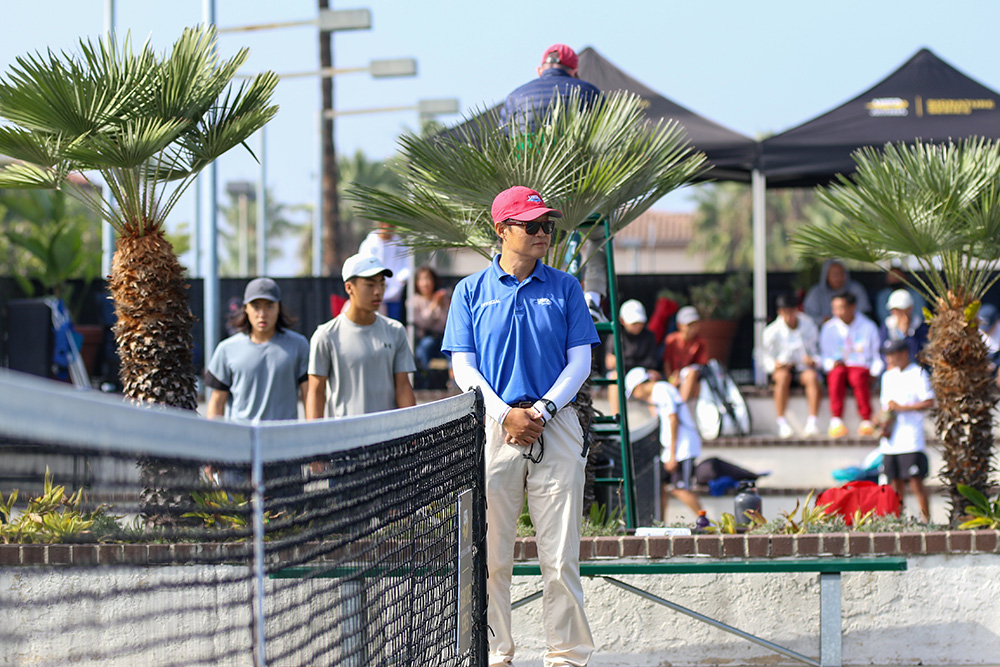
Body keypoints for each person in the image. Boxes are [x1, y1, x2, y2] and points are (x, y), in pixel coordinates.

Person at [442, 185, 599, 666]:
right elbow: (463, 367)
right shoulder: (469, 291)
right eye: (531, 225)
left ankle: (567, 658)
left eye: (546, 225)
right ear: (502, 229)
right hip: (495, 428)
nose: (542, 233)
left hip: (556, 424)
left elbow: (581, 361)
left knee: (561, 558)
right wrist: (503, 413)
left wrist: (542, 412)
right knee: (490, 558)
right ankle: (494, 654)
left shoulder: (566, 287)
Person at [501, 43, 607, 315]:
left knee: (530, 241)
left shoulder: (515, 97)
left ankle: (522, 295)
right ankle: (593, 298)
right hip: (580, 192)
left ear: (540, 70)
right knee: (598, 236)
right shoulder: (588, 92)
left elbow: (504, 147)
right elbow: (606, 145)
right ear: (574, 71)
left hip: (531, 201)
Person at [306, 253, 416, 419]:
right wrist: (313, 440)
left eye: (382, 284)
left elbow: (403, 386)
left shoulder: (396, 330)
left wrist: (413, 429)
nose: (378, 291)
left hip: (389, 439)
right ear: (349, 287)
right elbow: (316, 392)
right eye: (370, 285)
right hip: (344, 439)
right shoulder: (325, 335)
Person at [205, 277, 309, 423]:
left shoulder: (299, 345)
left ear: (279, 307)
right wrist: (216, 441)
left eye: (269, 306)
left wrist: (312, 438)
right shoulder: (226, 349)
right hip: (241, 441)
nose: (262, 314)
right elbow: (217, 402)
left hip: (286, 441)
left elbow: (309, 395)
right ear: (246, 308)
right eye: (255, 306)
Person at [624, 367, 704, 520]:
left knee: (680, 489)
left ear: (639, 386)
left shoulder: (662, 391)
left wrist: (673, 455)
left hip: (682, 449)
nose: (636, 396)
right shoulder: (659, 392)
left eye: (634, 392)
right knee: (660, 488)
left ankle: (707, 524)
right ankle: (660, 523)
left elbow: (673, 419)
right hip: (672, 450)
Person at [878, 339, 934, 521]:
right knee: (894, 482)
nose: (889, 358)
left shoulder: (917, 373)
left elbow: (929, 401)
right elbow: (886, 405)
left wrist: (902, 408)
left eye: (892, 353)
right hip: (891, 440)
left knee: (916, 482)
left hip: (911, 438)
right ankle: (898, 520)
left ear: (903, 353)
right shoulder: (888, 376)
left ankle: (926, 520)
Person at [820, 292, 883, 438]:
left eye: (841, 308)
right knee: (837, 374)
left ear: (853, 307)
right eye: (834, 308)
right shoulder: (828, 328)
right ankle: (836, 420)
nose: (837, 312)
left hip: (861, 368)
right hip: (839, 369)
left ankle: (866, 420)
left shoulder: (868, 326)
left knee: (858, 376)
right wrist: (832, 364)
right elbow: (825, 356)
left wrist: (874, 373)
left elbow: (876, 356)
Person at [761, 292, 822, 438]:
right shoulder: (771, 331)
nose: (788, 317)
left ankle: (812, 422)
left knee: (812, 377)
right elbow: (763, 358)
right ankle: (782, 423)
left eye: (791, 312)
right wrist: (775, 365)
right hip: (782, 372)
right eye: (785, 313)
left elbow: (819, 352)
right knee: (782, 378)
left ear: (797, 310)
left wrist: (812, 360)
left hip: (803, 369)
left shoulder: (809, 325)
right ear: (779, 312)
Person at [604, 299, 660, 413]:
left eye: (640, 322)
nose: (637, 326)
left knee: (654, 381)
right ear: (622, 321)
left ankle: (656, 419)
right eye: (634, 323)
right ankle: (617, 417)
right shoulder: (615, 336)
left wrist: (623, 363)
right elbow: (610, 363)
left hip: (641, 374)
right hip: (623, 374)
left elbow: (652, 362)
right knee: (614, 377)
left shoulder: (649, 336)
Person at [358, 221, 411, 322]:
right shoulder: (369, 243)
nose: (390, 228)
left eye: (392, 225)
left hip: (394, 294)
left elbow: (407, 266)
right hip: (373, 297)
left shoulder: (400, 244)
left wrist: (400, 280)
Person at [411, 265, 451, 388]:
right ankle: (426, 378)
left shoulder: (442, 299)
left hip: (443, 337)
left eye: (428, 279)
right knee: (426, 346)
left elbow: (447, 321)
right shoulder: (414, 300)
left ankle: (452, 378)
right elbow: (423, 322)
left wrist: (443, 305)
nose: (425, 283)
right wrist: (433, 305)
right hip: (426, 338)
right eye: (422, 279)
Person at [661, 305, 708, 403]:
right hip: (673, 378)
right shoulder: (671, 340)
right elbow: (667, 363)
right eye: (689, 324)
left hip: (691, 378)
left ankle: (682, 404)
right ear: (679, 325)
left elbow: (701, 366)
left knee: (692, 373)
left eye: (695, 324)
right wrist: (671, 379)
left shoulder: (701, 342)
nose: (693, 328)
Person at [803, 259, 872, 323]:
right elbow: (808, 316)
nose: (838, 278)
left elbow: (864, 312)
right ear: (826, 276)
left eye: (841, 274)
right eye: (834, 274)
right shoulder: (816, 292)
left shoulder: (856, 289)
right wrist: (822, 320)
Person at [880, 289, 928, 362]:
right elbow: (883, 350)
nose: (897, 313)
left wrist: (906, 333)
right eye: (895, 310)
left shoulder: (920, 326)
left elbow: (917, 353)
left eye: (901, 309)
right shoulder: (887, 326)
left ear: (910, 309)